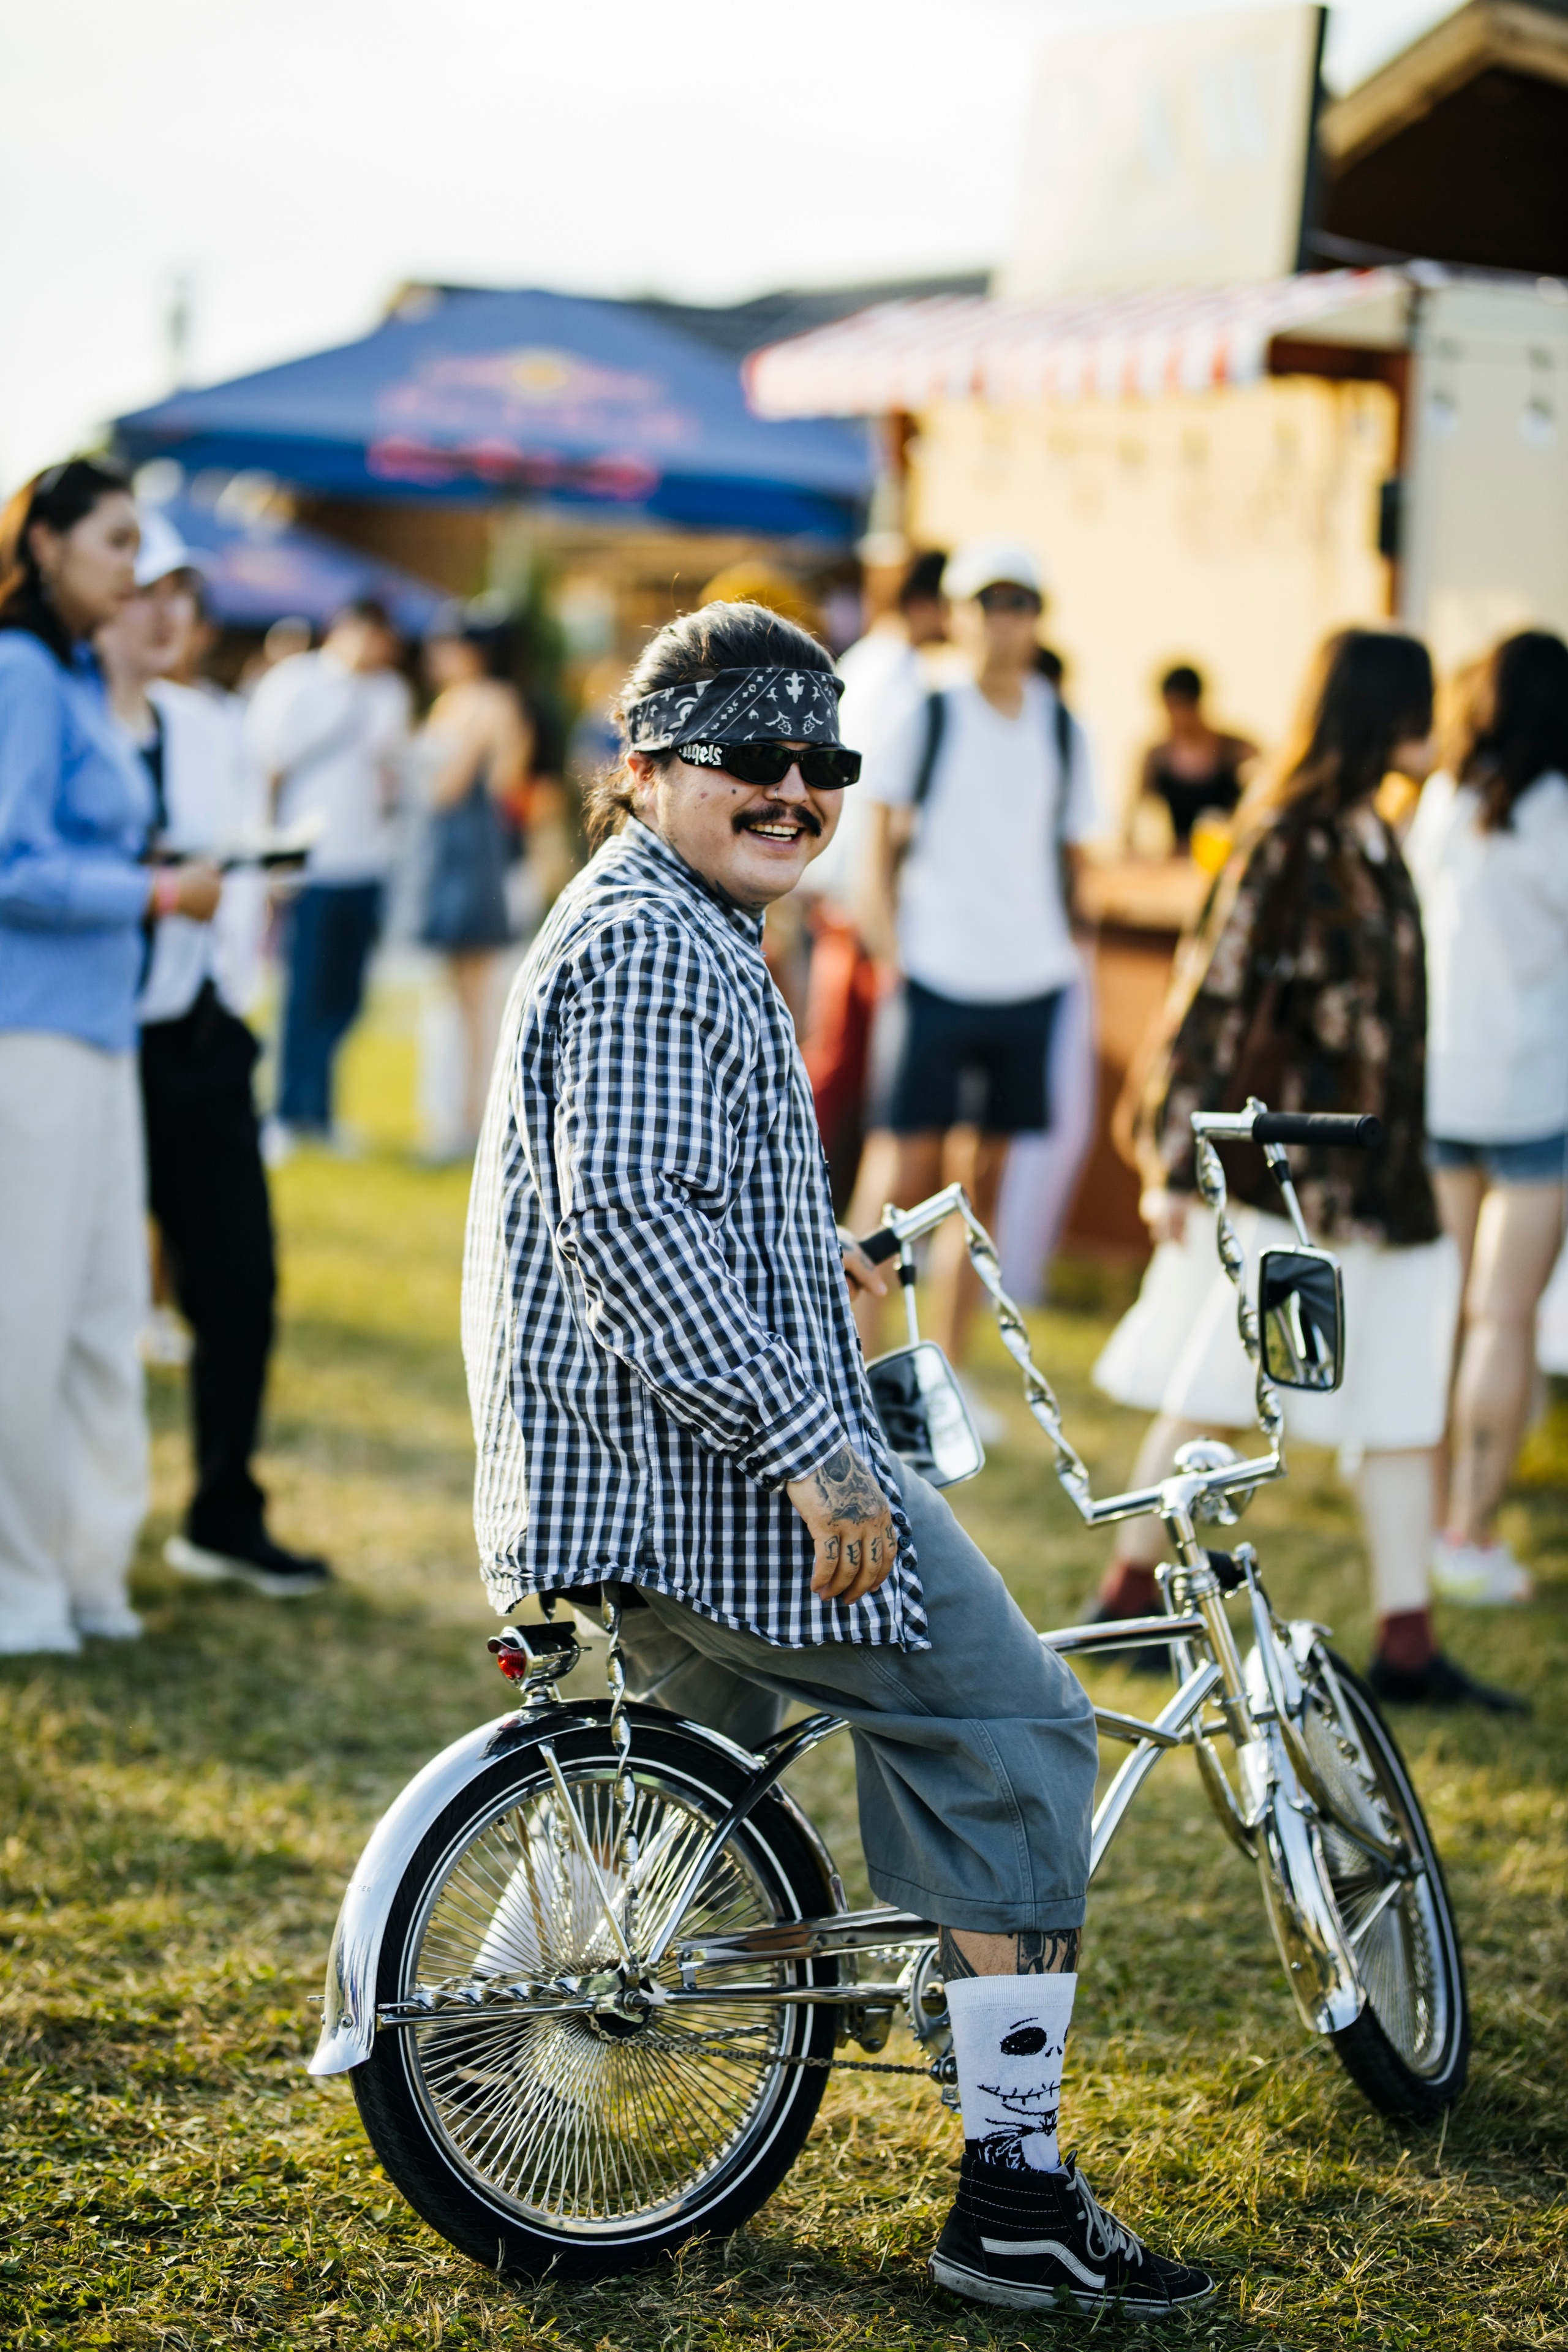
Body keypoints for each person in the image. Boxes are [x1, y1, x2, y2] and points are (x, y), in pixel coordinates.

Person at [462, 597, 1212, 2316]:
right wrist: (818, 1449)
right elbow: (634, 1226)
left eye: (825, 763)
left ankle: (488, 2089)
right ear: (645, 766)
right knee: (1013, 1721)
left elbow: (671, 1214)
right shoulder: (659, 941)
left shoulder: (666, 914)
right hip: (708, 1487)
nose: (794, 789)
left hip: (615, 1476)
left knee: (668, 1789)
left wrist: (824, 1267)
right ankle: (1013, 2191)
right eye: (753, 757)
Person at [1091, 628, 1525, 1714]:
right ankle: (1126, 1593)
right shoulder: (1286, 834)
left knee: (1398, 1402)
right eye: (1419, 704)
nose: (1439, 725)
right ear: (1382, 709)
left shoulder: (1377, 835)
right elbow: (1213, 989)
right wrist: (1165, 1152)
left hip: (1381, 1180)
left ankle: (1407, 1642)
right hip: (1286, 1174)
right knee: (1222, 1394)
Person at [0, 459, 219, 1655]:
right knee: (25, 1316)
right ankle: (19, 1584)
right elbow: (9, 865)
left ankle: (86, 1571)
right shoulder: (23, 674)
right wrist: (150, 893)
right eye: (115, 543)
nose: (133, 570)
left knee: (99, 1312)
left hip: (98, 1036)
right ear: (42, 546)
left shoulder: (80, 673)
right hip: (27, 1033)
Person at [97, 512, 332, 1600]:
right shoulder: (56, 714)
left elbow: (230, 872)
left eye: (183, 593)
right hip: (88, 1035)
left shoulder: (208, 724)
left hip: (197, 1031)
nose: (167, 613)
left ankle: (224, 1512)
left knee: (240, 1281)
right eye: (145, 588)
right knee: (81, 1296)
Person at [851, 538, 1098, 1373]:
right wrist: (889, 946)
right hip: (935, 969)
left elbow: (1074, 857)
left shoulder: (1064, 726)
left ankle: (945, 1372)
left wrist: (1069, 948)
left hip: (1029, 975)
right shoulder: (926, 709)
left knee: (983, 1182)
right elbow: (876, 837)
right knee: (900, 1168)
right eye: (988, 604)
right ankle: (847, 1364)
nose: (1004, 622)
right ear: (957, 614)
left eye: (1019, 605)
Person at [1406, 629, 1568, 1605]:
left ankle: (1424, 1518)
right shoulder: (1557, 811)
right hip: (1533, 1096)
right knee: (1502, 1318)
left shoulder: (1443, 802)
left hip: (1442, 1089)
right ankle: (1469, 1530)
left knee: (1443, 1317)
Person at [801, 551, 948, 1197]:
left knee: (837, 1058)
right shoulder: (907, 681)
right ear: (929, 604)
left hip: (837, 888)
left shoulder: (863, 662)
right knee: (841, 1064)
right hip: (864, 899)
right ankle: (795, 1189)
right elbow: (880, 809)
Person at [246, 597, 410, 1152]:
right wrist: (270, 859)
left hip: (367, 861)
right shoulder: (296, 684)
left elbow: (395, 773)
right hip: (309, 863)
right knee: (303, 992)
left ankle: (320, 1104)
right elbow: (266, 770)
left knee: (347, 993)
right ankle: (291, 1111)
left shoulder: (391, 694)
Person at [413, 603, 532, 1152]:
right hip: (464, 848)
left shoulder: (485, 702)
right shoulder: (467, 701)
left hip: (469, 848)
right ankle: (457, 1111)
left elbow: (451, 786)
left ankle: (470, 1115)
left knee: (474, 993)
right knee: (462, 993)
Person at [1133, 665, 1256, 856]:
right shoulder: (1156, 758)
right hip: (1177, 864)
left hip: (1228, 860)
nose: (1172, 719)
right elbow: (1134, 820)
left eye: (1178, 709)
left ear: (1197, 704)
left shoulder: (1237, 750)